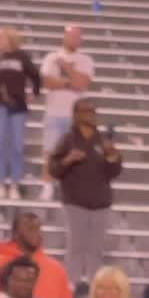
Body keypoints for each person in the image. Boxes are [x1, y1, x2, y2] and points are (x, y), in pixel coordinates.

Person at [49, 98, 123, 290]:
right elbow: (53, 168)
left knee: (96, 247)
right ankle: (71, 284)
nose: (90, 114)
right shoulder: (68, 139)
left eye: (92, 111)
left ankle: (94, 284)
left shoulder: (102, 140)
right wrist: (68, 159)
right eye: (85, 111)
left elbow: (114, 172)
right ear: (76, 115)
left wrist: (112, 156)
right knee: (76, 244)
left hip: (101, 201)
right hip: (75, 200)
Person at [0, 210, 76, 298]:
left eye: (38, 229)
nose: (36, 233)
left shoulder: (57, 270)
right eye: (30, 228)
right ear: (15, 233)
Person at [0, 26, 42, 200]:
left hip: (18, 106)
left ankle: (15, 184)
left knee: (17, 145)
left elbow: (35, 76)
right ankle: (0, 183)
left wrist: (34, 93)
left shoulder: (22, 57)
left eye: (2, 37)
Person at [38, 25, 95, 199]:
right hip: (55, 112)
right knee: (50, 151)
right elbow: (47, 82)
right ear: (64, 37)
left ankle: (71, 187)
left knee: (77, 152)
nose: (73, 39)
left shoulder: (86, 60)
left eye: (77, 36)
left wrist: (67, 68)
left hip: (76, 115)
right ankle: (47, 185)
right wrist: (70, 83)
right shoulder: (51, 57)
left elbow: (83, 83)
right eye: (70, 36)